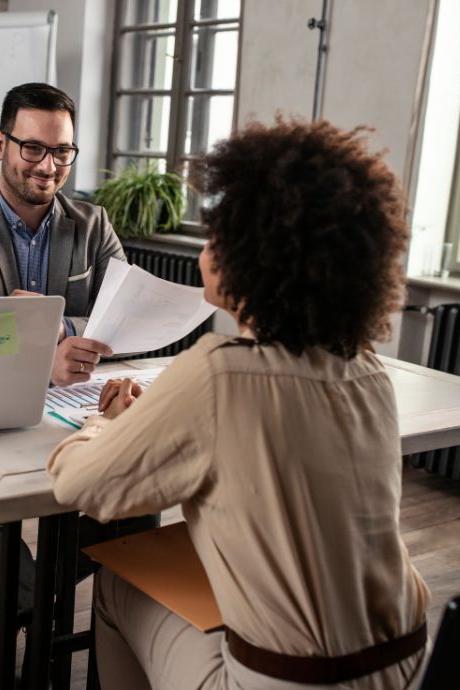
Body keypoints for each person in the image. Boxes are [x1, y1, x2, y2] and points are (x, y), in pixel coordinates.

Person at [47, 119, 431, 689]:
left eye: (216, 234)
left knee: (117, 583)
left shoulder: (219, 370)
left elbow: (78, 488)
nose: (206, 247)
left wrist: (103, 425)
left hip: (288, 682)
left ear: (253, 254)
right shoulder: (367, 368)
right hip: (408, 664)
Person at [0, 82, 156, 673]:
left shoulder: (92, 225)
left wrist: (55, 322)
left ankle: (21, 608)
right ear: (0, 144)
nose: (49, 166)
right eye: (33, 149)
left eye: (63, 152)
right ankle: (35, 604)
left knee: (135, 498)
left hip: (70, 416)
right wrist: (35, 351)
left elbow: (123, 317)